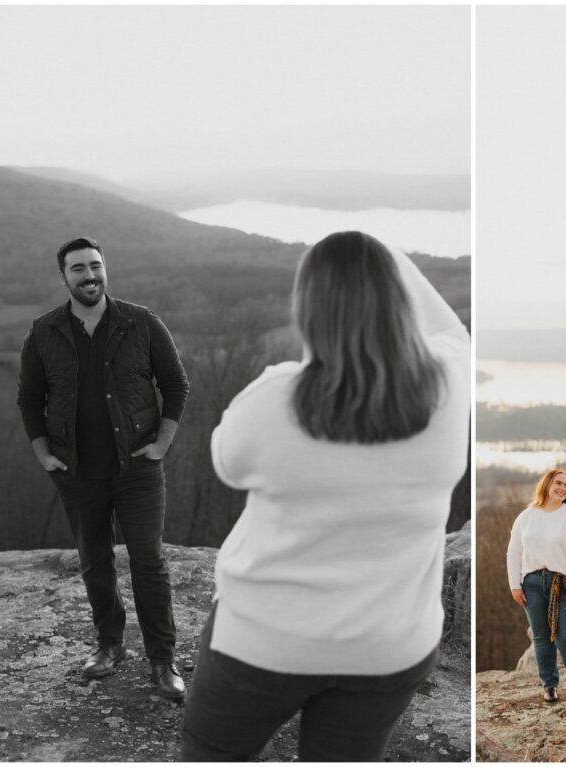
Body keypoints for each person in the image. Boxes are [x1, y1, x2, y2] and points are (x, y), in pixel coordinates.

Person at [179, 231, 470, 761]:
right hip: (390, 645)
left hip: (266, 639)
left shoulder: (275, 399)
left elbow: (226, 462)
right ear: (396, 298)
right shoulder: (449, 387)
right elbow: (453, 330)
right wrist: (380, 256)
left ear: (309, 310)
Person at [16, 236, 190, 699]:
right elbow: (29, 398)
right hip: (77, 472)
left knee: (148, 562)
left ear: (105, 269)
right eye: (78, 269)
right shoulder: (44, 331)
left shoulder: (142, 322)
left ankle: (162, 660)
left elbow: (176, 385)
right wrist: (42, 453)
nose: (89, 275)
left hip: (137, 470)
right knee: (95, 562)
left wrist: (161, 444)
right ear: (64, 277)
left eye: (95, 265)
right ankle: (109, 646)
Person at [506, 468, 566, 703]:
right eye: (558, 483)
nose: (563, 488)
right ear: (546, 485)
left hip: (565, 583)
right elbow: (514, 551)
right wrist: (515, 584)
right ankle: (549, 686)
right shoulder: (526, 517)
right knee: (542, 637)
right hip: (533, 584)